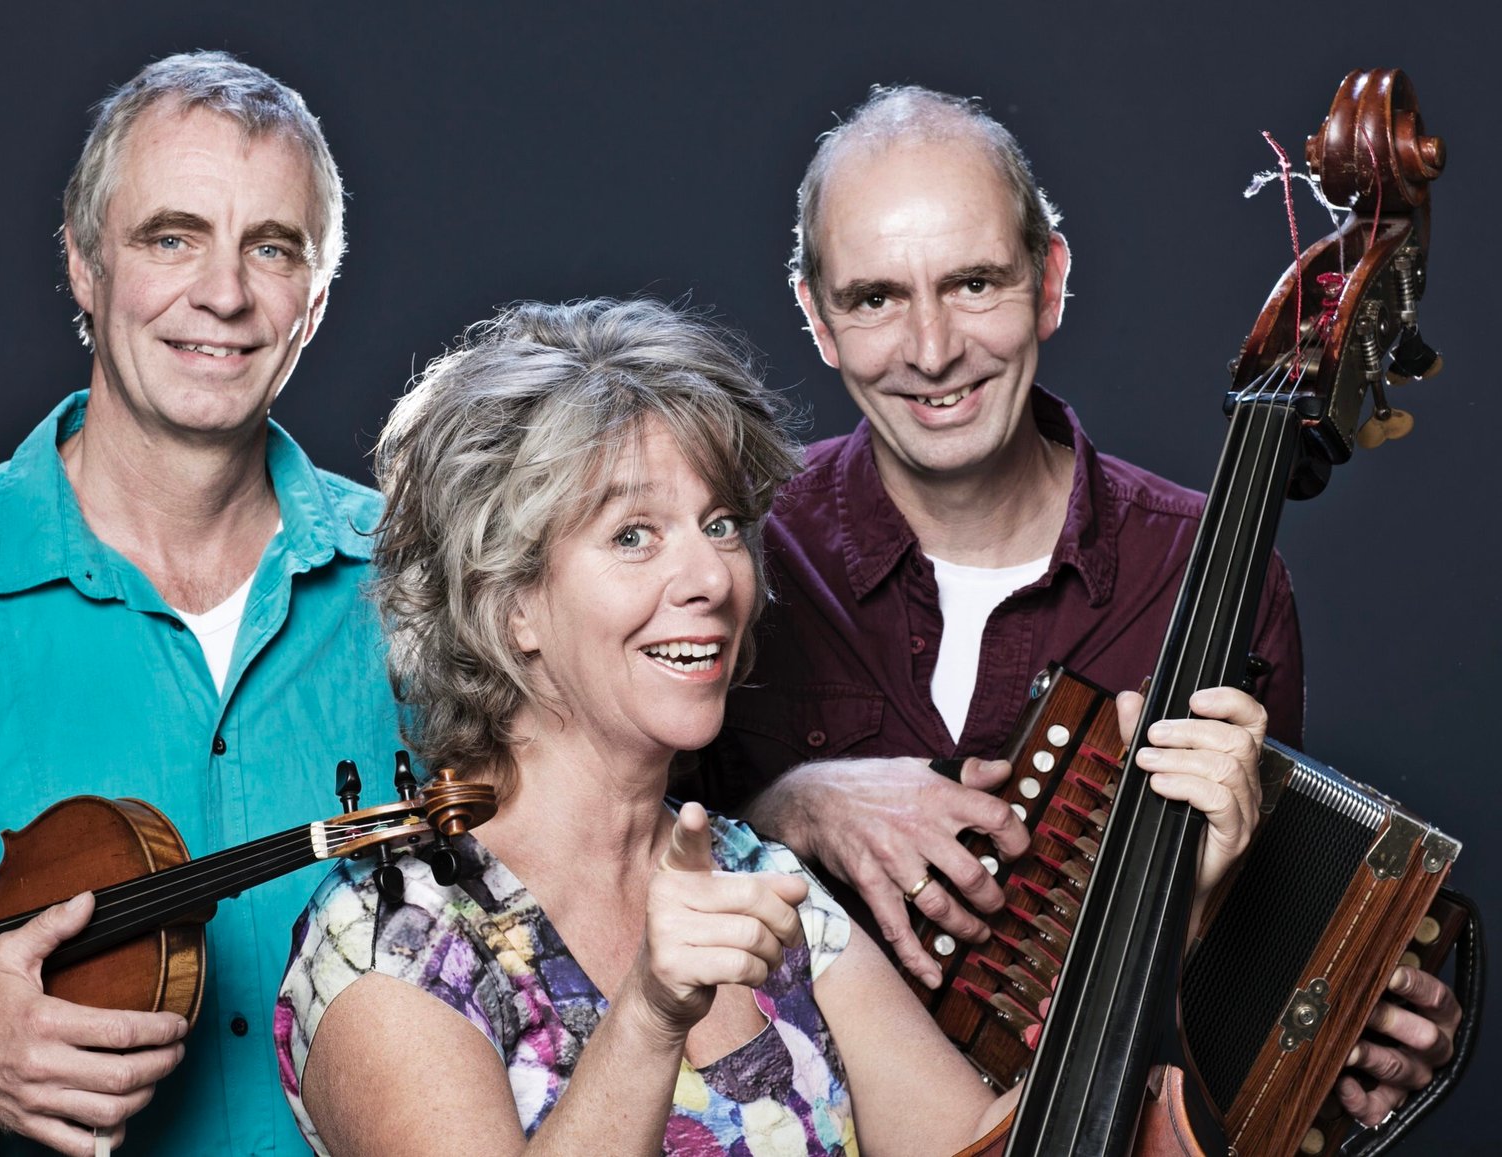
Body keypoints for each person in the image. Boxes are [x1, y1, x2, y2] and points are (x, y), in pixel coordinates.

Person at [273, 297, 1269, 1155]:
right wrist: (653, 1014)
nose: (710, 576)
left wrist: (1167, 907)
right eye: (631, 535)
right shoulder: (389, 942)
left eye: (718, 525)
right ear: (507, 604)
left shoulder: (763, 886)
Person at [698, 85, 1457, 1129]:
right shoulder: (733, 550)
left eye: (973, 283)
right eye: (875, 298)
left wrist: (1339, 1038)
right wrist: (790, 805)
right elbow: (596, 883)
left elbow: (1221, 997)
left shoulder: (1207, 571)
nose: (929, 349)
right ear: (817, 318)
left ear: (1049, 280)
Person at [0, 52, 404, 1155]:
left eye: (272, 248)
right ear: (83, 265)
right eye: (171, 236)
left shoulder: (430, 579)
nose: (222, 293)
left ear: (314, 300)